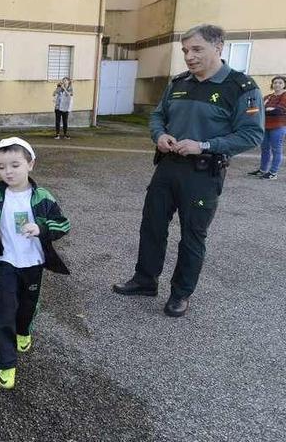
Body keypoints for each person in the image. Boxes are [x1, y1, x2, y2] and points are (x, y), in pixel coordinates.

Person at [113, 24, 264, 317]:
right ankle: (145, 280)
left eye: (197, 49)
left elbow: (251, 135)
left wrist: (205, 145)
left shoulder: (241, 87)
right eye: (185, 51)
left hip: (202, 174)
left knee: (192, 236)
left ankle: (180, 294)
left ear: (218, 47)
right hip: (167, 167)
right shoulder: (179, 82)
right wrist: (159, 135)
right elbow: (158, 116)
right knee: (152, 226)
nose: (189, 57)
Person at [0, 137, 71, 390]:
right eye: (2, 167)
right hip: (6, 262)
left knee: (27, 306)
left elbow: (63, 224)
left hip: (33, 263)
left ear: (30, 165)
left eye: (15, 165)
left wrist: (41, 227)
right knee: (5, 309)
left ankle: (24, 330)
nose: (8, 172)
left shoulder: (43, 197)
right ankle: (7, 363)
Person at [249, 75, 286, 180]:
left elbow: (279, 110)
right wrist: (265, 110)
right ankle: (262, 170)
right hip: (265, 126)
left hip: (278, 126)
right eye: (275, 82)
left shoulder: (285, 95)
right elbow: (256, 109)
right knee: (264, 149)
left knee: (276, 150)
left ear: (284, 85)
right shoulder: (267, 97)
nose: (277, 84)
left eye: (280, 82)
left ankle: (273, 173)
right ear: (272, 85)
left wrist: (265, 110)